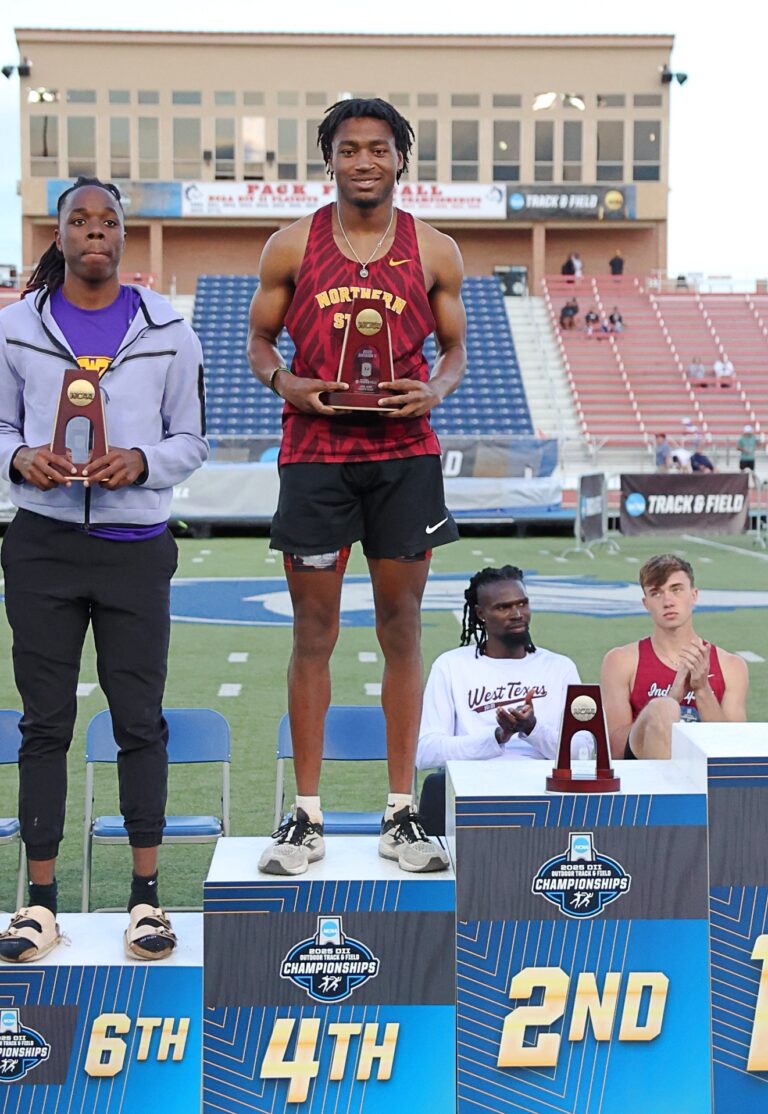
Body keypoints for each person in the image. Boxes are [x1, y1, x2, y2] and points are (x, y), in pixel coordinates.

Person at [246, 98, 466, 876]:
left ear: (401, 158)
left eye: (378, 148)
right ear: (329, 158)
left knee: (401, 626)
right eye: (349, 149)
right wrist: (285, 382)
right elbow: (258, 338)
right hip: (315, 453)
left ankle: (401, 814)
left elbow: (455, 349)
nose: (364, 160)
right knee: (313, 632)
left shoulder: (435, 249)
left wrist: (434, 391)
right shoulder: (291, 243)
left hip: (405, 452)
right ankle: (304, 818)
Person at [0, 177, 208, 963]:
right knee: (44, 724)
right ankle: (40, 906)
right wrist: (21, 457)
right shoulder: (15, 328)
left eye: (108, 221)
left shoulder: (170, 328)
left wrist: (143, 462)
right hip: (43, 545)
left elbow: (191, 437)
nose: (95, 231)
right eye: (79, 221)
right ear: (59, 236)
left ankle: (145, 901)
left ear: (124, 237)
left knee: (138, 722)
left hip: (135, 549)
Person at [416, 566, 588, 834]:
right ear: (481, 614)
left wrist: (531, 728)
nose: (517, 614)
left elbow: (583, 751)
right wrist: (495, 737)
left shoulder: (560, 667)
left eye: (522, 603)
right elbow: (426, 751)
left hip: (542, 788)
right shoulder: (451, 665)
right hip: (473, 786)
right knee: (436, 787)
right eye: (503, 607)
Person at [600, 554, 748, 759]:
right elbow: (615, 750)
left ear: (694, 595)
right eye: (656, 593)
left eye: (676, 589)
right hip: (645, 777)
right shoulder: (621, 661)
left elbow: (733, 752)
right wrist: (672, 698)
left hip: (706, 776)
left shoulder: (731, 666)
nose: (668, 601)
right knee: (663, 707)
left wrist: (702, 689)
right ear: (646, 603)